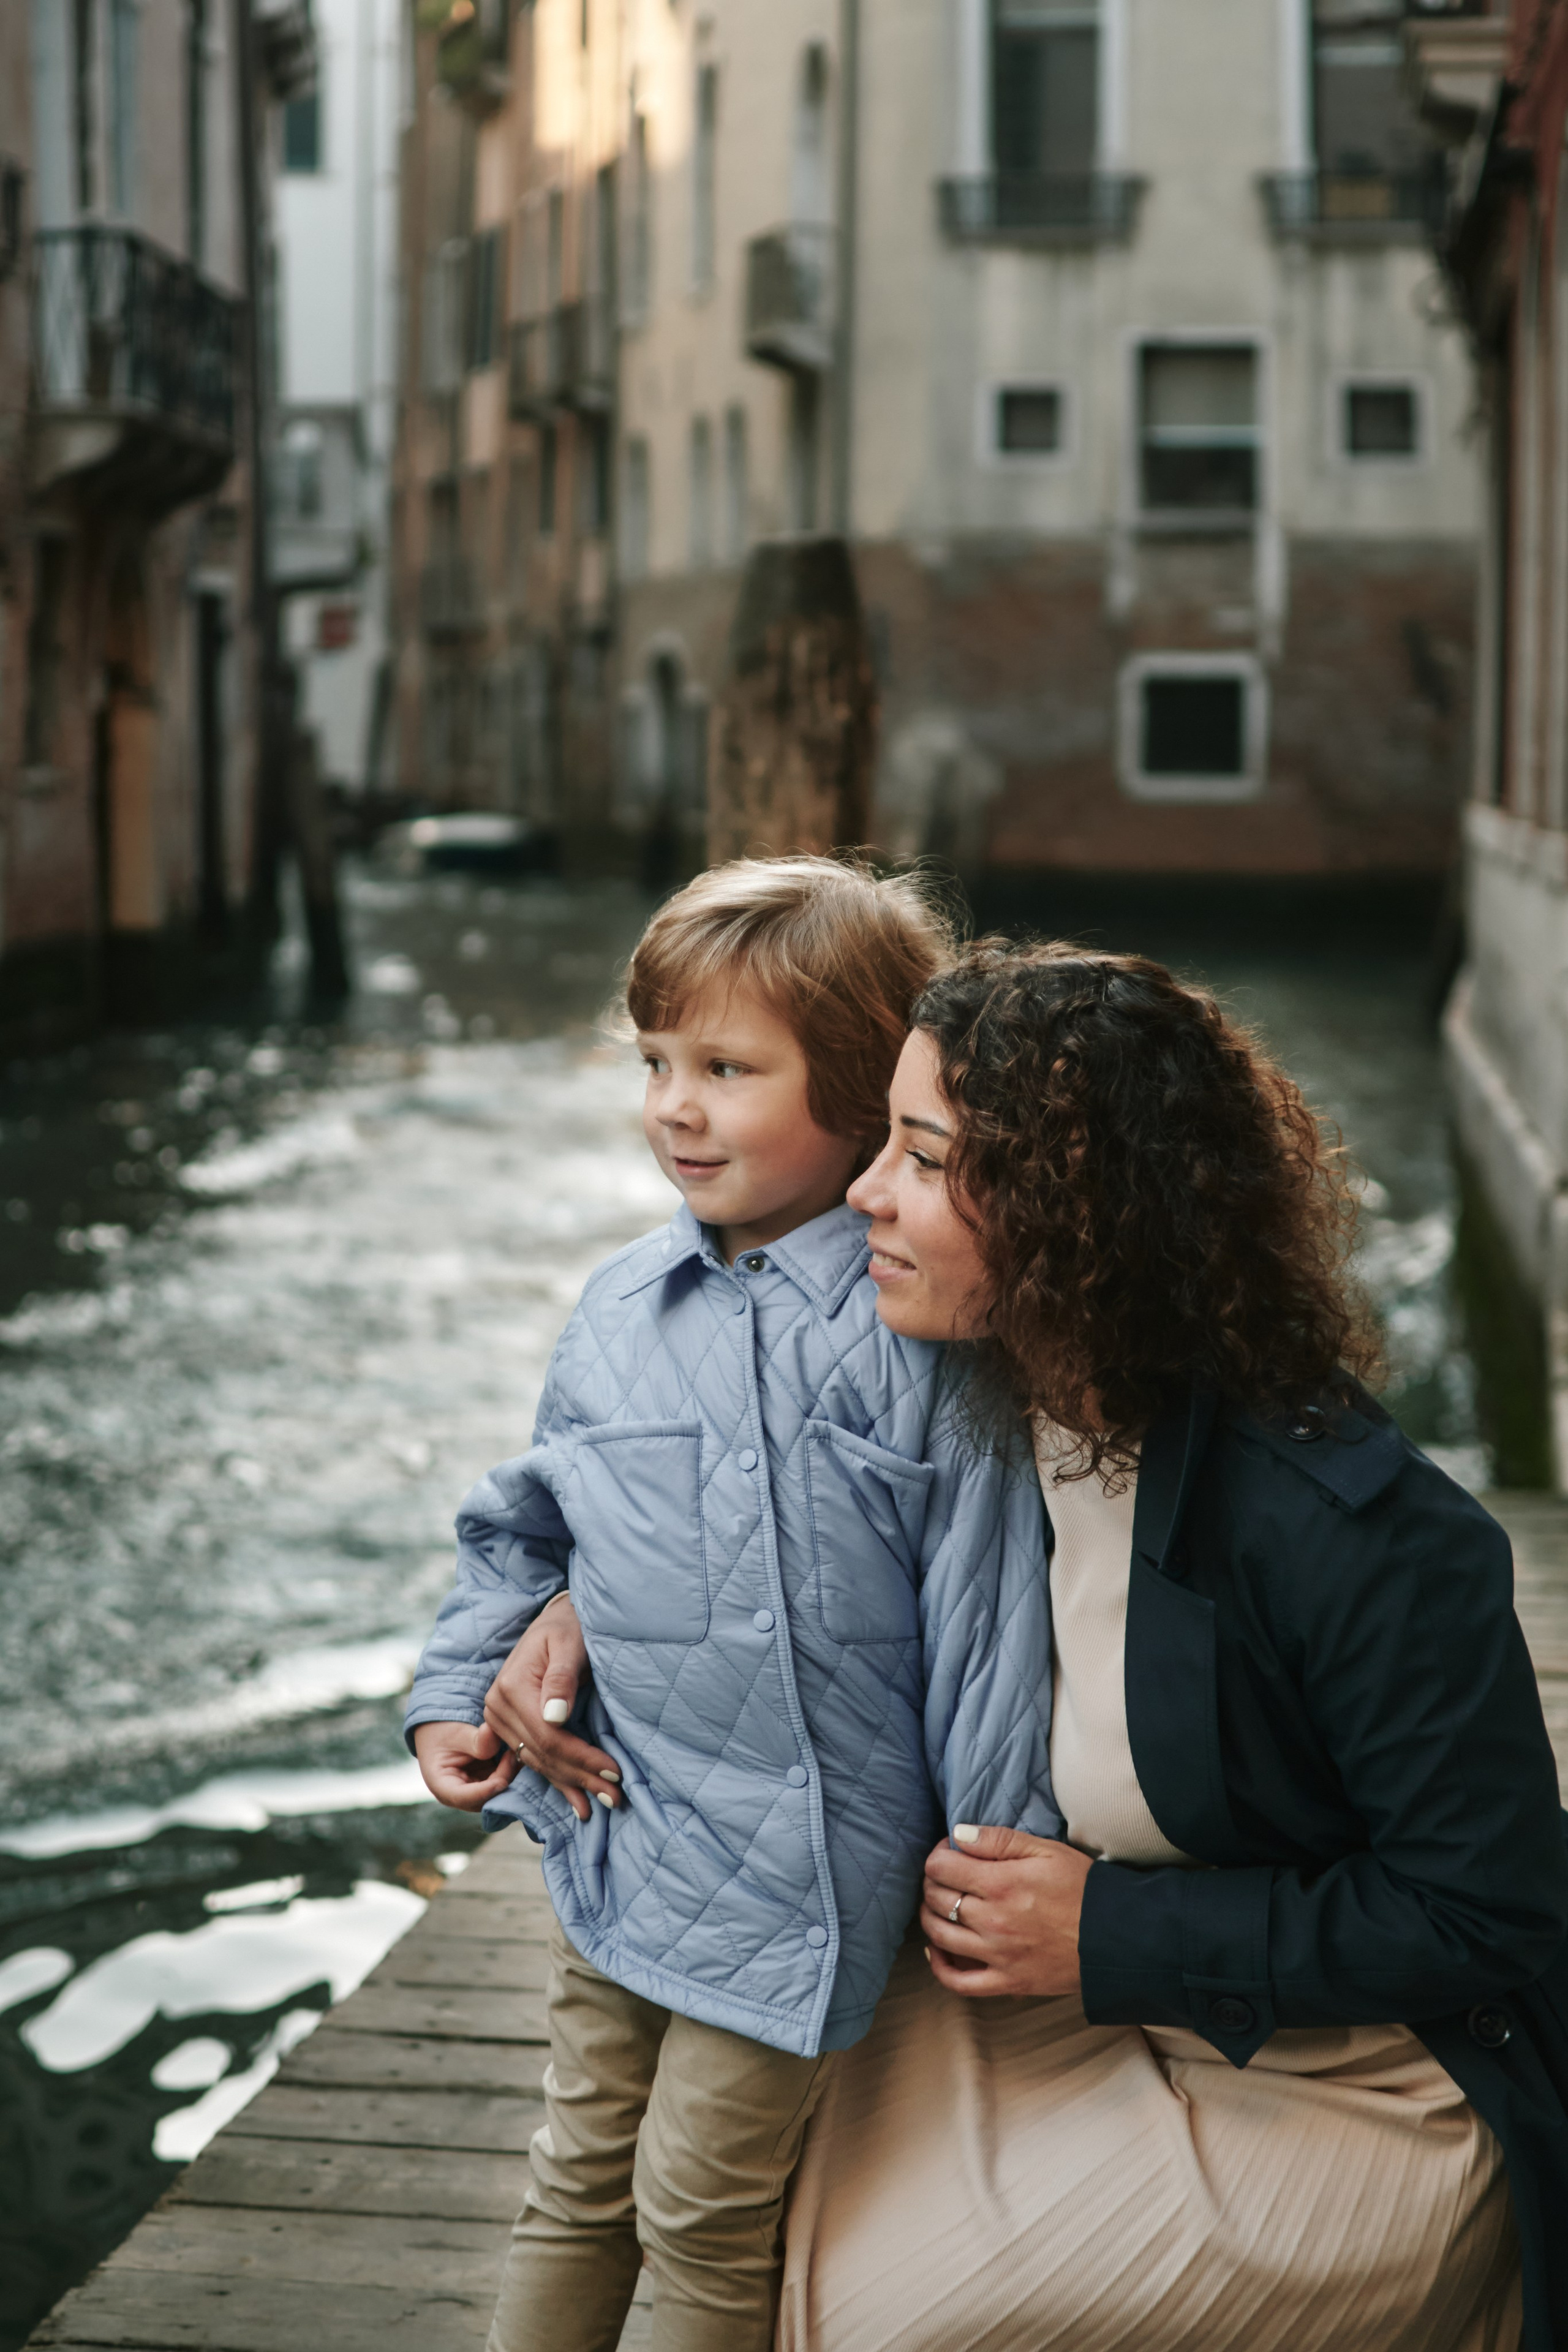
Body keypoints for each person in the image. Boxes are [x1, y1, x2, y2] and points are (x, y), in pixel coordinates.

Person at [512, 940, 1568, 2352]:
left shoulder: (1349, 1531)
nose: (865, 1191)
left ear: (1074, 1210)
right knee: (751, 2197)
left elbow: (1484, 1914)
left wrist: (1107, 1932)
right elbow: (735, 1499)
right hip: (1068, 1998)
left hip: (1351, 2076)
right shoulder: (968, 1391)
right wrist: (575, 1608)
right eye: (881, 1141)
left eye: (923, 1158)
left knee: (881, 2324)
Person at [403, 862, 1058, 2352]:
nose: (672, 1110)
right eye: (654, 1064)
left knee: (700, 2214)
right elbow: (527, 1524)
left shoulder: (915, 1327)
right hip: (616, 1829)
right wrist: (458, 1686)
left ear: (859, 1087)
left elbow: (986, 1618)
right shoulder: (618, 1311)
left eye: (725, 1070)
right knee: (574, 2177)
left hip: (800, 1876)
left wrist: (994, 1850)